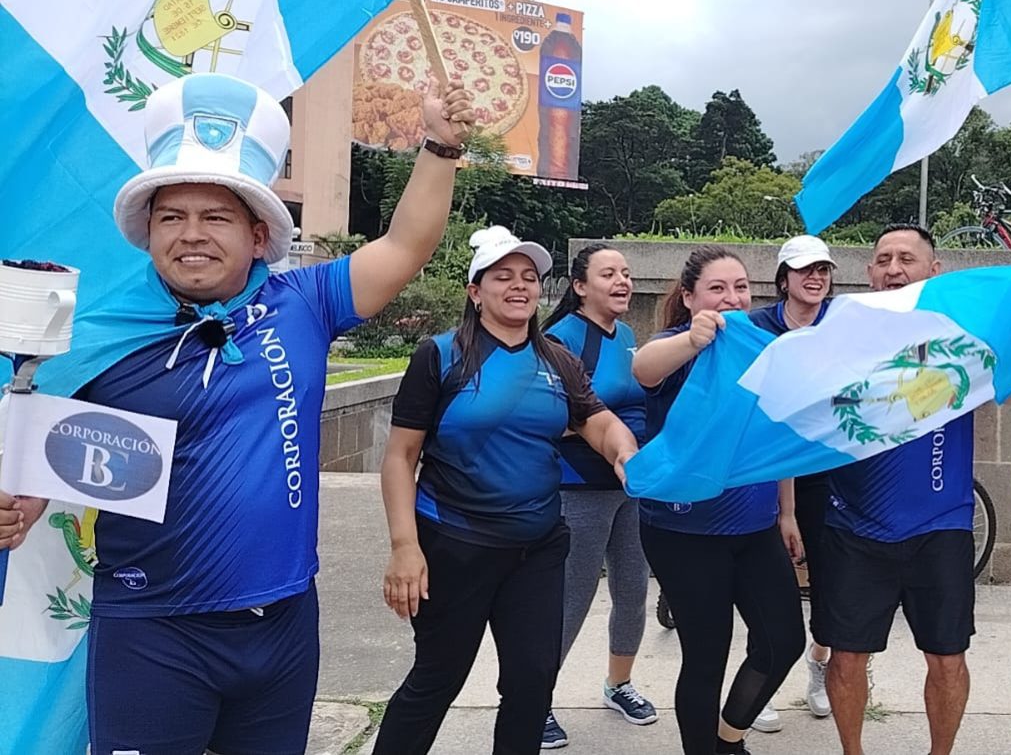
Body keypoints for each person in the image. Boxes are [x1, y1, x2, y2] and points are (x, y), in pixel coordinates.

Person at [0, 73, 474, 754]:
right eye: (172, 217)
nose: (191, 236)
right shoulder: (97, 340)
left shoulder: (306, 302)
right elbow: (44, 464)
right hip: (152, 631)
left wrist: (439, 148)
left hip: (282, 627)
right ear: (149, 233)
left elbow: (404, 247)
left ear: (257, 236)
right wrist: (17, 506)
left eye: (215, 217)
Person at [374, 229, 640, 754]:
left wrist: (625, 454)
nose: (519, 287)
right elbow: (401, 456)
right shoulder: (441, 356)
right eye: (503, 277)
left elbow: (600, 422)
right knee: (437, 679)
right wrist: (405, 547)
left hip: (537, 548)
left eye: (529, 278)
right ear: (476, 291)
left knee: (531, 682)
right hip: (455, 544)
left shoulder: (558, 361)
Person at [632, 246, 806, 755]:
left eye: (740, 288)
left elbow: (780, 438)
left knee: (783, 642)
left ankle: (728, 738)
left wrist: (788, 512)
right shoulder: (677, 344)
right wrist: (691, 338)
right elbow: (644, 368)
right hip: (685, 533)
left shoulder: (763, 347)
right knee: (707, 657)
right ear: (689, 298)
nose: (732, 298)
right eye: (717, 289)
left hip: (754, 527)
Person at [814, 224, 978, 755]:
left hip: (941, 524)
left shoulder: (964, 334)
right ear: (868, 273)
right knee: (846, 656)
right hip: (855, 525)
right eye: (882, 259)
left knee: (948, 657)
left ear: (934, 270)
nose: (892, 268)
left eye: (906, 258)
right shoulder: (841, 331)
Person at [540, 243, 658, 748]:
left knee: (633, 591)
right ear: (580, 286)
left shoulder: (628, 335)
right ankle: (536, 699)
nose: (622, 282)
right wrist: (603, 435)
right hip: (579, 489)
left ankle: (619, 684)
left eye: (626, 273)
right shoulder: (558, 339)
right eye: (608, 274)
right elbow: (545, 414)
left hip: (633, 486)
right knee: (570, 599)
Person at [748, 233, 838, 724]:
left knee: (831, 582)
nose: (815, 277)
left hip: (826, 472)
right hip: (766, 469)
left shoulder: (844, 323)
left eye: (823, 269)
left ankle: (818, 671)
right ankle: (761, 681)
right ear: (784, 279)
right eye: (805, 270)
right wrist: (786, 511)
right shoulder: (757, 325)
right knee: (765, 585)